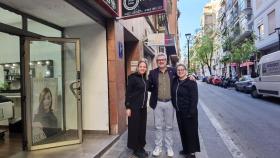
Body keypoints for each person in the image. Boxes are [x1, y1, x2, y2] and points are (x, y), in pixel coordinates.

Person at [148, 53, 176, 157]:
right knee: (158, 126)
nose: (161, 61)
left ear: (166, 61)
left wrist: (189, 76)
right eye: (159, 60)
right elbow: (149, 86)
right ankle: (158, 147)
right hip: (158, 103)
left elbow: (181, 77)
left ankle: (169, 147)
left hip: (170, 103)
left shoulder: (173, 71)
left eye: (163, 59)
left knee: (169, 127)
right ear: (156, 61)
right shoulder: (152, 73)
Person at [171, 64, 200, 158]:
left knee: (190, 132)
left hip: (189, 112)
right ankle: (186, 149)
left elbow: (194, 99)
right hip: (179, 112)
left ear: (186, 71)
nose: (180, 71)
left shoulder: (191, 82)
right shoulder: (176, 81)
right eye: (178, 70)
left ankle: (192, 153)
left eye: (182, 69)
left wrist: (190, 113)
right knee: (182, 131)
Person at [125, 59, 149, 158]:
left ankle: (141, 146)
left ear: (146, 68)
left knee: (142, 128)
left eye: (144, 67)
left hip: (143, 108)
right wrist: (128, 107)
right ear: (138, 67)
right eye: (141, 66)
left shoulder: (145, 79)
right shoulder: (132, 78)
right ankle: (135, 149)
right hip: (134, 108)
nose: (142, 68)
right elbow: (128, 93)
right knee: (134, 128)